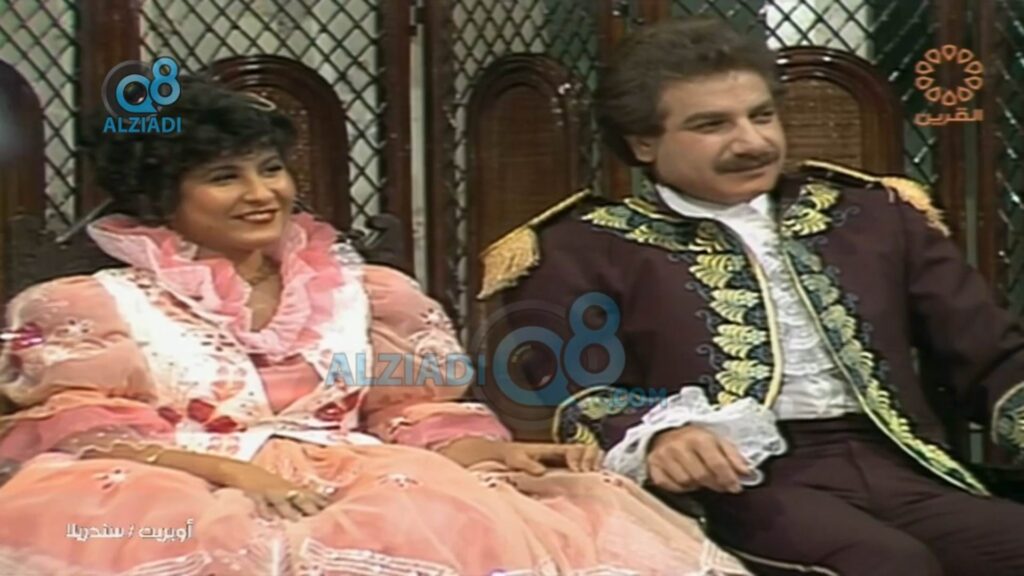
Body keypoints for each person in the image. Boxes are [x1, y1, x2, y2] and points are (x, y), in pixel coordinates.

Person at [0, 75, 750, 576]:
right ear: (162, 195)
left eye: (270, 169)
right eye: (225, 177)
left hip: (363, 480)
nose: (262, 193)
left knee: (468, 525)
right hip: (173, 491)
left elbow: (407, 413)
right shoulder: (97, 307)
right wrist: (235, 473)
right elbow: (82, 432)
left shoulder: (364, 294)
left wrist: (487, 452)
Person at [482, 16, 1024, 576]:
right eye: (712, 125)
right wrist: (661, 436)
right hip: (734, 485)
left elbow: (991, 356)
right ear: (644, 142)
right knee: (888, 564)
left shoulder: (873, 215)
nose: (753, 142)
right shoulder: (582, 246)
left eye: (762, 116)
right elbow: (571, 387)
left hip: (900, 461)